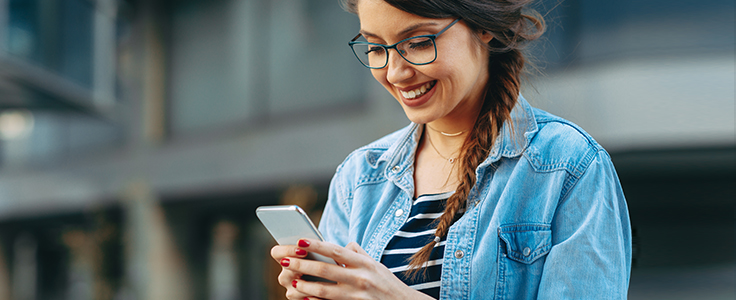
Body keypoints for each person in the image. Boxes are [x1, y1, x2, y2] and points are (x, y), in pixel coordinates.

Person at [270, 0, 632, 299]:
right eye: (376, 48)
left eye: (419, 43)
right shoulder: (360, 178)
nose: (395, 72)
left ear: (483, 25)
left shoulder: (567, 166)